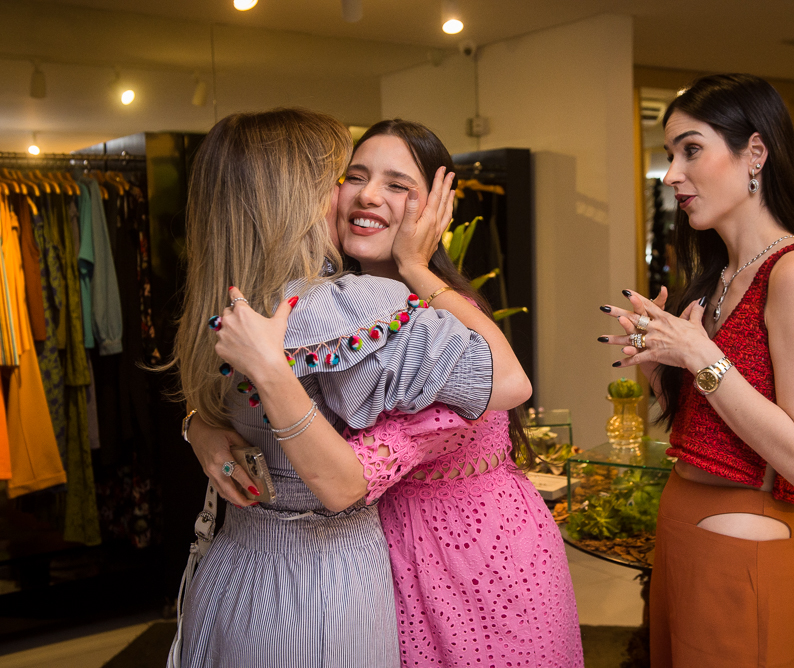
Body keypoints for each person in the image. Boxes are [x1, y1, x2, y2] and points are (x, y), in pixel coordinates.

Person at [192, 119, 582, 667]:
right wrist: (200, 425)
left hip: (477, 558)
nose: (368, 195)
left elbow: (509, 384)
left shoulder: (435, 314)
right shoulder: (315, 299)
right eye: (353, 176)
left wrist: (415, 268)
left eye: (398, 185)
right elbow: (223, 386)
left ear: (437, 210)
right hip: (382, 555)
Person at [599, 74, 794, 667]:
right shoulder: (715, 281)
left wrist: (701, 356)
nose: (672, 175)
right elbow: (711, 427)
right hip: (682, 527)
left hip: (742, 543)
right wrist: (660, 360)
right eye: (670, 155)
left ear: (754, 153)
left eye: (691, 150)